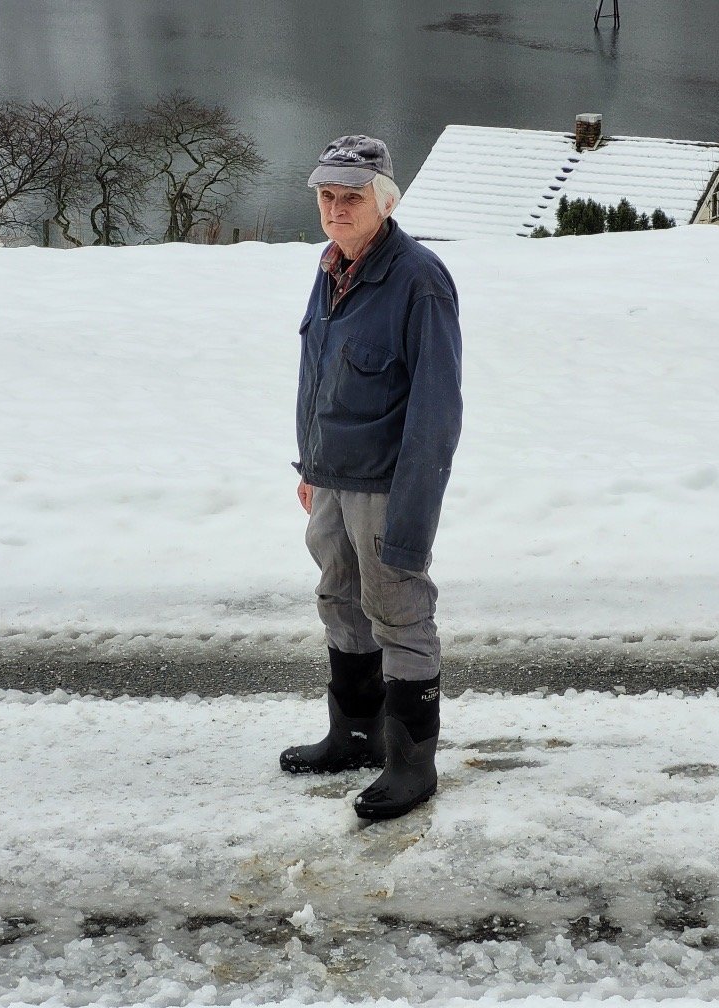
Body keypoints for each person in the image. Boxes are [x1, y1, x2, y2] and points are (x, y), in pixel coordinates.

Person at [280, 134, 463, 820]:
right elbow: (316, 377)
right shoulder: (331, 266)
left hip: (387, 486)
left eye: (350, 197)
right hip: (332, 477)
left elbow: (437, 411)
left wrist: (414, 512)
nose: (335, 209)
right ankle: (355, 734)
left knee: (397, 610)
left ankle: (412, 765)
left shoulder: (420, 280)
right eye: (326, 195)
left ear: (385, 201)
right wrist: (311, 465)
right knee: (339, 598)